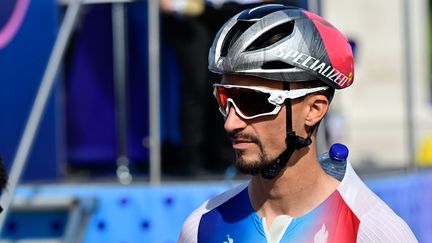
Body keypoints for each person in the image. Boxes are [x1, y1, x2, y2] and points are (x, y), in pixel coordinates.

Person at [178, 4, 418, 242]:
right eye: (225, 99)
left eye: (252, 102)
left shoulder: (373, 231)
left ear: (314, 109)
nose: (231, 123)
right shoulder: (201, 227)